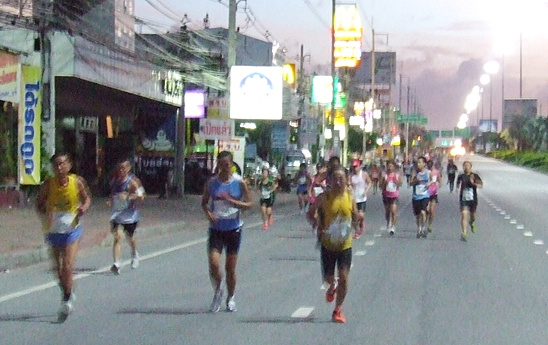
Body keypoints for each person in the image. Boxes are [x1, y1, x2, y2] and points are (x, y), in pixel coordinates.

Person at [35, 152, 92, 322]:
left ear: (69, 165)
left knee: (67, 265)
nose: (59, 168)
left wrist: (84, 208)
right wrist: (45, 213)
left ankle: (66, 300)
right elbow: (39, 203)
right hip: (53, 229)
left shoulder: (77, 182)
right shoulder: (48, 185)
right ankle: (67, 292)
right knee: (58, 269)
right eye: (56, 165)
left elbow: (87, 198)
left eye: (62, 164)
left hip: (71, 229)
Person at [307, 166, 363, 323]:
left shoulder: (350, 197)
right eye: (335, 179)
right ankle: (332, 286)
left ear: (347, 180)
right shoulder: (324, 198)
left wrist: (358, 219)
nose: (338, 182)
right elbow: (310, 213)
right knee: (328, 278)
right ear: (329, 181)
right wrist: (317, 224)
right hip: (328, 245)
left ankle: (338, 310)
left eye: (341, 179)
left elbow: (355, 215)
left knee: (344, 277)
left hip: (345, 244)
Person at [202, 151, 253, 313]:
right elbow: (204, 203)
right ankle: (218, 291)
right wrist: (209, 214)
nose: (223, 168)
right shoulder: (211, 183)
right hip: (216, 229)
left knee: (230, 268)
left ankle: (231, 298)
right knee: (213, 264)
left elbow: (249, 204)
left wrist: (232, 201)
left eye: (226, 165)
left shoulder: (239, 183)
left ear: (231, 164)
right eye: (220, 165)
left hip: (233, 229)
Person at [108, 158, 146, 275]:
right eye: (119, 168)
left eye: (123, 168)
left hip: (130, 216)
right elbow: (112, 195)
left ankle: (135, 253)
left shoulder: (133, 182)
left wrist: (129, 196)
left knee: (130, 238)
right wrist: (110, 201)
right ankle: (117, 263)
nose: (121, 170)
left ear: (128, 168)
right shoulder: (115, 181)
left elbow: (142, 196)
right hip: (117, 214)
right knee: (117, 237)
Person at [456, 161, 483, 241]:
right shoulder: (461, 176)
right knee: (464, 214)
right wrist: (457, 188)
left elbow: (481, 185)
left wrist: (474, 183)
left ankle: (471, 222)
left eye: (467, 166)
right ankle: (464, 233)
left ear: (471, 167)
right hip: (464, 198)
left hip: (473, 198)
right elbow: (458, 184)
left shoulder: (475, 175)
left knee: (473, 215)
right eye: (464, 166)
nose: (466, 167)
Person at [349, 159, 371, 239]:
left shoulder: (364, 174)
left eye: (356, 166)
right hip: (354, 198)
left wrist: (366, 191)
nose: (355, 168)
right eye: (353, 167)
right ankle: (357, 231)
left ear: (359, 166)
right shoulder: (351, 176)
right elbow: (349, 185)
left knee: (361, 215)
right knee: (354, 217)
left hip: (362, 198)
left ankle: (361, 223)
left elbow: (369, 183)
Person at [410, 156, 431, 238]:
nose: (418, 164)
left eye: (420, 162)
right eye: (417, 163)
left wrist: (430, 183)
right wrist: (416, 180)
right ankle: (419, 228)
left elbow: (433, 180)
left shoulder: (428, 172)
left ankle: (423, 227)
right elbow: (410, 183)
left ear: (424, 164)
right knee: (418, 214)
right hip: (416, 196)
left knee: (423, 212)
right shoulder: (415, 173)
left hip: (425, 195)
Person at [380, 160, 403, 236]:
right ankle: (388, 222)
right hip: (386, 195)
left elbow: (400, 184)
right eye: (388, 166)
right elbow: (380, 186)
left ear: (394, 167)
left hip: (394, 195)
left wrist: (396, 182)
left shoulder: (397, 175)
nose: (390, 168)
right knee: (387, 212)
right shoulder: (384, 175)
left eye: (391, 166)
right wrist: (385, 182)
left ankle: (393, 226)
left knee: (393, 211)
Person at [426, 160, 442, 233]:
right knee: (427, 210)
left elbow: (439, 179)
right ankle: (425, 221)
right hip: (426, 193)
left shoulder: (436, 172)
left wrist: (439, 185)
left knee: (432, 211)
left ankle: (430, 224)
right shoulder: (426, 172)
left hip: (433, 193)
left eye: (431, 167)